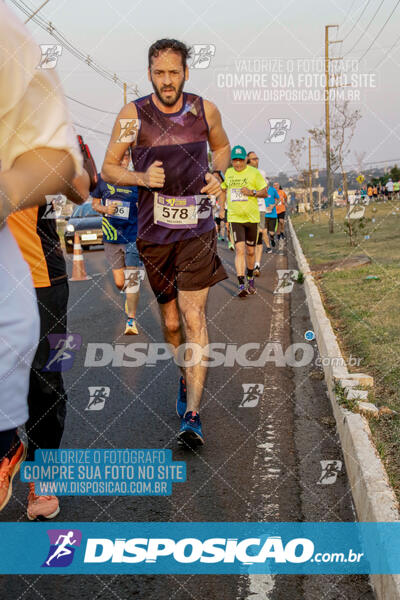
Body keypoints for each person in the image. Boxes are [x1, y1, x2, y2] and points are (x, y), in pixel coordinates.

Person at [102, 39, 230, 446]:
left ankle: (192, 414)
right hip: (154, 235)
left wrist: (219, 174)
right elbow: (108, 167)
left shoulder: (204, 110)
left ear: (186, 73)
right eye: (160, 73)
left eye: (174, 72)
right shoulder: (132, 115)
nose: (167, 80)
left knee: (194, 318)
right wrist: (141, 179)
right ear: (150, 74)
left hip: (198, 229)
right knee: (172, 323)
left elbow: (222, 148)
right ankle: (183, 372)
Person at [0, 3, 83, 514]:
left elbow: (79, 182)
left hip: (43, 273)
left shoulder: (40, 126)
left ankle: (43, 479)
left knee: (49, 378)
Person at [92, 150, 142, 335]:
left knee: (132, 280)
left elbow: (144, 206)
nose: (123, 161)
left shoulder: (136, 180)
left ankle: (131, 320)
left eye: (126, 157)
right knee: (120, 282)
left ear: (129, 159)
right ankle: (129, 294)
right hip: (111, 236)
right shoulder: (102, 178)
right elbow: (94, 203)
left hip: (132, 235)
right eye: (119, 157)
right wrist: (105, 208)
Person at [220, 145, 268, 296]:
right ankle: (241, 286)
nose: (238, 164)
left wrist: (252, 192)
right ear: (232, 161)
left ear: (246, 160)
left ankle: (250, 279)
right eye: (235, 160)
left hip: (252, 218)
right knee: (240, 250)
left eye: (241, 160)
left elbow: (265, 193)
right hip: (235, 218)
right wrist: (222, 208)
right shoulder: (228, 173)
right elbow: (223, 189)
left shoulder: (254, 173)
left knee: (251, 251)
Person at [247, 151, 268, 276]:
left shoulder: (262, 173)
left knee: (259, 235)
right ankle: (250, 263)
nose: (256, 161)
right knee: (249, 241)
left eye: (257, 158)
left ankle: (257, 265)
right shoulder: (242, 174)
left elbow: (263, 191)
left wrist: (252, 192)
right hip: (247, 209)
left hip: (259, 209)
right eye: (253, 159)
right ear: (248, 161)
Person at [264, 183, 280, 248]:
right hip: (263, 215)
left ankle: (272, 238)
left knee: (271, 232)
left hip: (272, 214)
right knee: (264, 232)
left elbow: (278, 199)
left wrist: (273, 205)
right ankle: (268, 247)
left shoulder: (273, 190)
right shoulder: (260, 190)